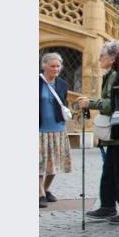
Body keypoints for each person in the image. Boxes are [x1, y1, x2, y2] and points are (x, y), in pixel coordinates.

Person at [77, 40, 119, 223]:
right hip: (115, 131)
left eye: (102, 56)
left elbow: (115, 104)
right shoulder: (113, 73)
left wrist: (91, 103)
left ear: (112, 58)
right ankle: (108, 206)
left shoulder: (118, 74)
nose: (98, 59)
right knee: (110, 171)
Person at [39, 53, 73, 208]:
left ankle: (45, 189)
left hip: (58, 128)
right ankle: (39, 194)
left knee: (55, 163)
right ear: (44, 66)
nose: (56, 69)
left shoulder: (62, 84)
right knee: (39, 163)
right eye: (52, 66)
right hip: (39, 129)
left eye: (58, 66)